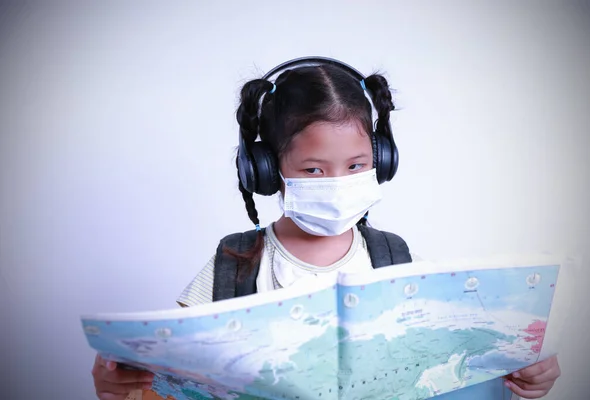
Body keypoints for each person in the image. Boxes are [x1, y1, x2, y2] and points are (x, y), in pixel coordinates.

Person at [91, 57, 561, 400]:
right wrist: (121, 383)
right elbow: (168, 374)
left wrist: (520, 367)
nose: (338, 184)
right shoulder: (234, 263)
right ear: (266, 170)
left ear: (381, 161)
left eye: (356, 165)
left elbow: (446, 363)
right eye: (314, 170)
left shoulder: (395, 260)